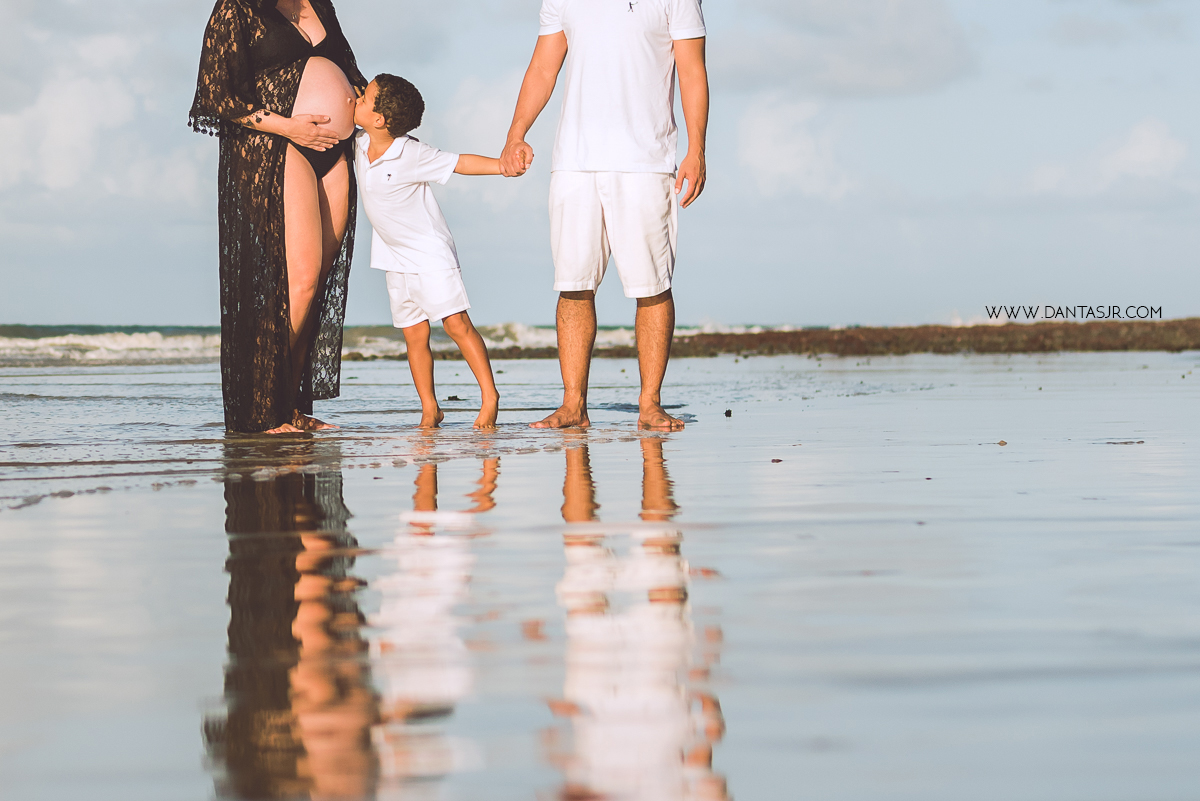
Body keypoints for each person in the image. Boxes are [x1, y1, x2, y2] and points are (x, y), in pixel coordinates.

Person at [499, 0, 710, 431]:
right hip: (575, 162)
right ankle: (572, 405)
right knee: (573, 285)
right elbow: (543, 67)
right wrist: (516, 132)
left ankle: (650, 403)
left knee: (652, 285)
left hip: (646, 161)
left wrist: (697, 148)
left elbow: (691, 70)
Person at [190, 0, 366, 434]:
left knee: (318, 280)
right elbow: (216, 96)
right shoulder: (237, 8)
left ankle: (291, 407)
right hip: (274, 145)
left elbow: (351, 72)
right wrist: (291, 127)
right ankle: (261, 407)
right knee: (300, 280)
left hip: (331, 151)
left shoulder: (319, 4)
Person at [352, 75, 504, 429]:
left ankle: (490, 396)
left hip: (429, 253)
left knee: (456, 324)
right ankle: (429, 408)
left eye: (365, 97)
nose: (357, 97)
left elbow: (459, 162)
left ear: (380, 119)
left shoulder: (411, 152)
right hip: (393, 256)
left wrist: (502, 166)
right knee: (414, 334)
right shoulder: (358, 143)